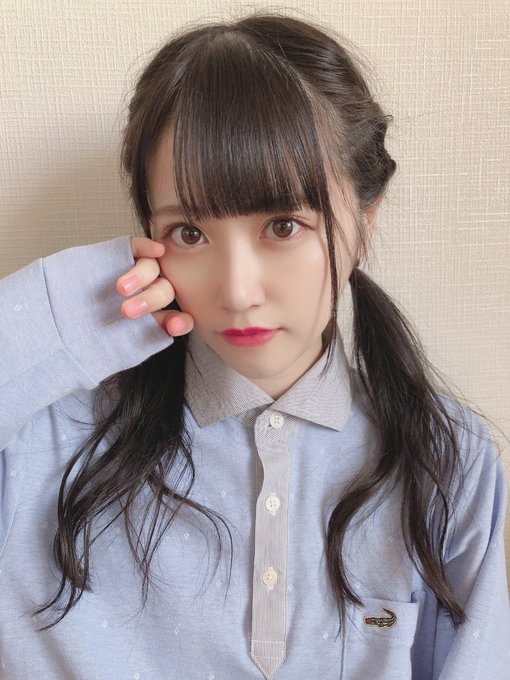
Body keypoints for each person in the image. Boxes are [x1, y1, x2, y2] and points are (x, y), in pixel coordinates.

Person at [0, 11, 508, 680]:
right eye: (189, 234)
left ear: (365, 221)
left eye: (284, 225)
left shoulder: (446, 460)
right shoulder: (42, 440)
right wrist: (63, 316)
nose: (238, 292)